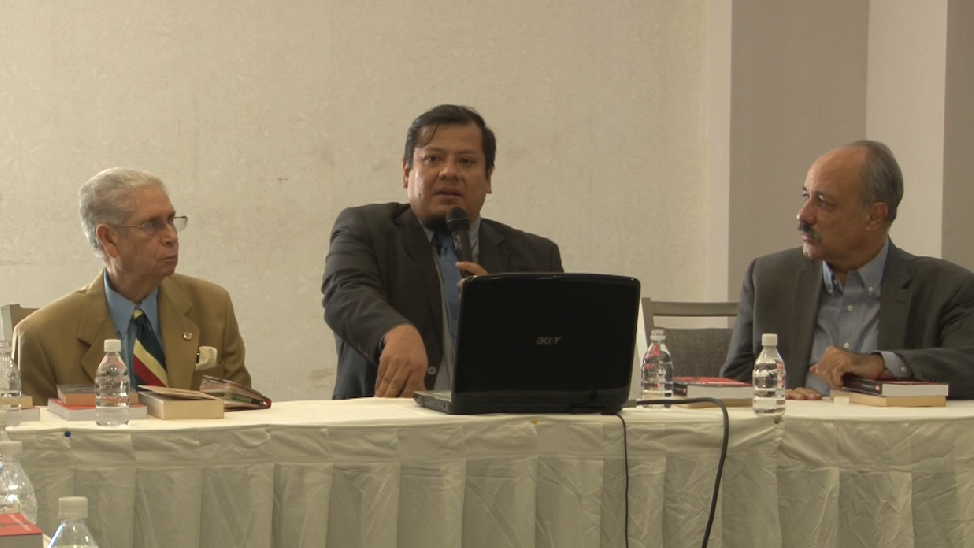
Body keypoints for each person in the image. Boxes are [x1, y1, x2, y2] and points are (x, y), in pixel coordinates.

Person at [323, 104, 563, 399]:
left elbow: (556, 351)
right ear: (407, 172)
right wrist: (395, 331)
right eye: (432, 159)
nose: (449, 172)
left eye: (466, 161)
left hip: (498, 422)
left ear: (488, 178)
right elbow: (345, 293)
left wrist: (505, 318)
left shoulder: (537, 256)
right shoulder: (366, 228)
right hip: (387, 422)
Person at [721, 141, 974, 399]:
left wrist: (883, 364)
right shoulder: (769, 277)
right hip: (791, 425)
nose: (803, 215)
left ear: (874, 216)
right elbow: (733, 380)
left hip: (888, 426)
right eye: (806, 197)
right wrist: (774, 395)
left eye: (824, 203)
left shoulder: (946, 288)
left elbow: (968, 367)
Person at [14, 168, 251, 405]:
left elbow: (243, 414)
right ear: (108, 238)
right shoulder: (42, 336)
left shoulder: (212, 307)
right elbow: (38, 428)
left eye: (170, 221)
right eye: (152, 225)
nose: (171, 236)